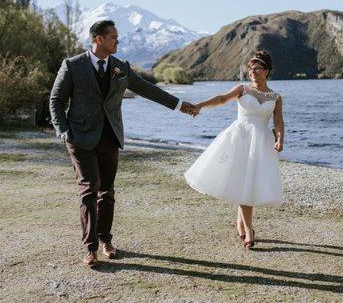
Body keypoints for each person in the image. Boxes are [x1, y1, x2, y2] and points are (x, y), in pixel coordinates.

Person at [49, 20, 198, 267]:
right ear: (99, 39)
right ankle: (89, 248)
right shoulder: (73, 66)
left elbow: (148, 89)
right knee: (88, 190)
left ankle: (105, 239)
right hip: (80, 138)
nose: (118, 42)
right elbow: (56, 100)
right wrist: (63, 131)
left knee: (107, 192)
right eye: (114, 38)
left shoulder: (121, 68)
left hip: (110, 138)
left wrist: (180, 105)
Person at [184, 50, 284, 249]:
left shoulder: (276, 97)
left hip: (262, 143)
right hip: (239, 139)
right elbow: (221, 98)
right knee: (243, 183)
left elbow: (278, 120)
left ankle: (240, 222)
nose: (252, 72)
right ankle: (249, 231)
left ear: (266, 71)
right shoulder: (243, 89)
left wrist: (280, 139)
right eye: (250, 68)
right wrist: (199, 105)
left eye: (257, 68)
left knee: (248, 183)